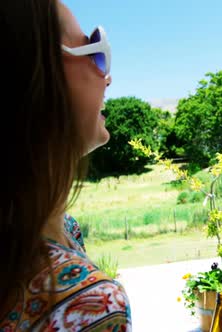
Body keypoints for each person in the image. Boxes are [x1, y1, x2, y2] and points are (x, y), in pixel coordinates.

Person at [0, 1, 131, 331]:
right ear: (38, 76)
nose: (108, 78)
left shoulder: (65, 231)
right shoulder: (85, 303)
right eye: (94, 51)